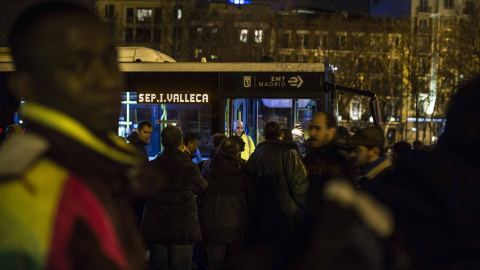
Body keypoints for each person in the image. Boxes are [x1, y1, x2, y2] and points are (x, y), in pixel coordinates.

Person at [0, 2, 158, 269]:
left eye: (110, 60)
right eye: (78, 65)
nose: (108, 80)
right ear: (26, 86)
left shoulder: (91, 169)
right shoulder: (27, 192)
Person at [143, 126, 208, 270]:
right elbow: (203, 188)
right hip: (182, 229)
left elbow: (142, 191)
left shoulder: (152, 166)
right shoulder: (189, 167)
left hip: (156, 228)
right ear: (180, 142)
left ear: (162, 142)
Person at [245, 121, 309, 243]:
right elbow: (300, 187)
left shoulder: (255, 155)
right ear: (282, 135)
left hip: (260, 218)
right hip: (285, 217)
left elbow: (248, 188)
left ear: (264, 135)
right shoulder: (288, 153)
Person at [199, 138, 255, 270]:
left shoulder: (208, 170)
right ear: (237, 152)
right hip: (237, 227)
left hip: (212, 227)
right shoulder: (244, 171)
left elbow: (199, 199)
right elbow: (252, 199)